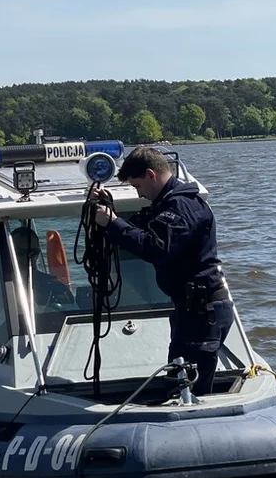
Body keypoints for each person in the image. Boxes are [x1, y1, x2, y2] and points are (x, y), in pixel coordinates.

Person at [92, 146, 234, 395]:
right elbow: (146, 227)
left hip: (201, 313)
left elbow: (156, 247)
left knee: (188, 389)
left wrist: (113, 223)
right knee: (180, 380)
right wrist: (111, 209)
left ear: (151, 175)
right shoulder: (170, 204)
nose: (140, 194)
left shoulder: (181, 207)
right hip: (195, 309)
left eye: (138, 186)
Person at [10, 225, 74, 308]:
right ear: (9, 252)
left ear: (38, 254)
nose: (28, 257)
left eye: (33, 253)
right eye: (21, 253)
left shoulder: (56, 288)